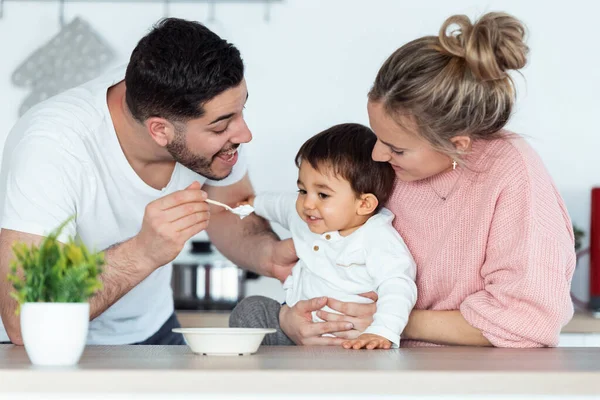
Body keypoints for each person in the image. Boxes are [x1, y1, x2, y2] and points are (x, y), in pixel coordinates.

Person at [275, 12, 576, 348]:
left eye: (397, 149)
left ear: (456, 145)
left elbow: (527, 321)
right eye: (377, 135)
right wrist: (288, 315)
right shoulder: (392, 169)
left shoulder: (514, 177)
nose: (376, 155)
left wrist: (390, 320)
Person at [0, 18, 305, 345]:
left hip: (154, 329)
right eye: (220, 127)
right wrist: (144, 251)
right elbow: (26, 318)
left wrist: (269, 254)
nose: (245, 134)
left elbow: (226, 208)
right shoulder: (52, 150)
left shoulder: (180, 101)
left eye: (241, 110)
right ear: (160, 130)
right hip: (46, 347)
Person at [229, 123, 417, 349]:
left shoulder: (376, 237)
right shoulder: (304, 215)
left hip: (348, 338)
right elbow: (280, 204)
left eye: (323, 194)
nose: (308, 203)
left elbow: (397, 285)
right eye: (303, 190)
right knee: (251, 309)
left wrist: (382, 331)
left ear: (364, 203)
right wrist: (253, 204)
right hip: (292, 329)